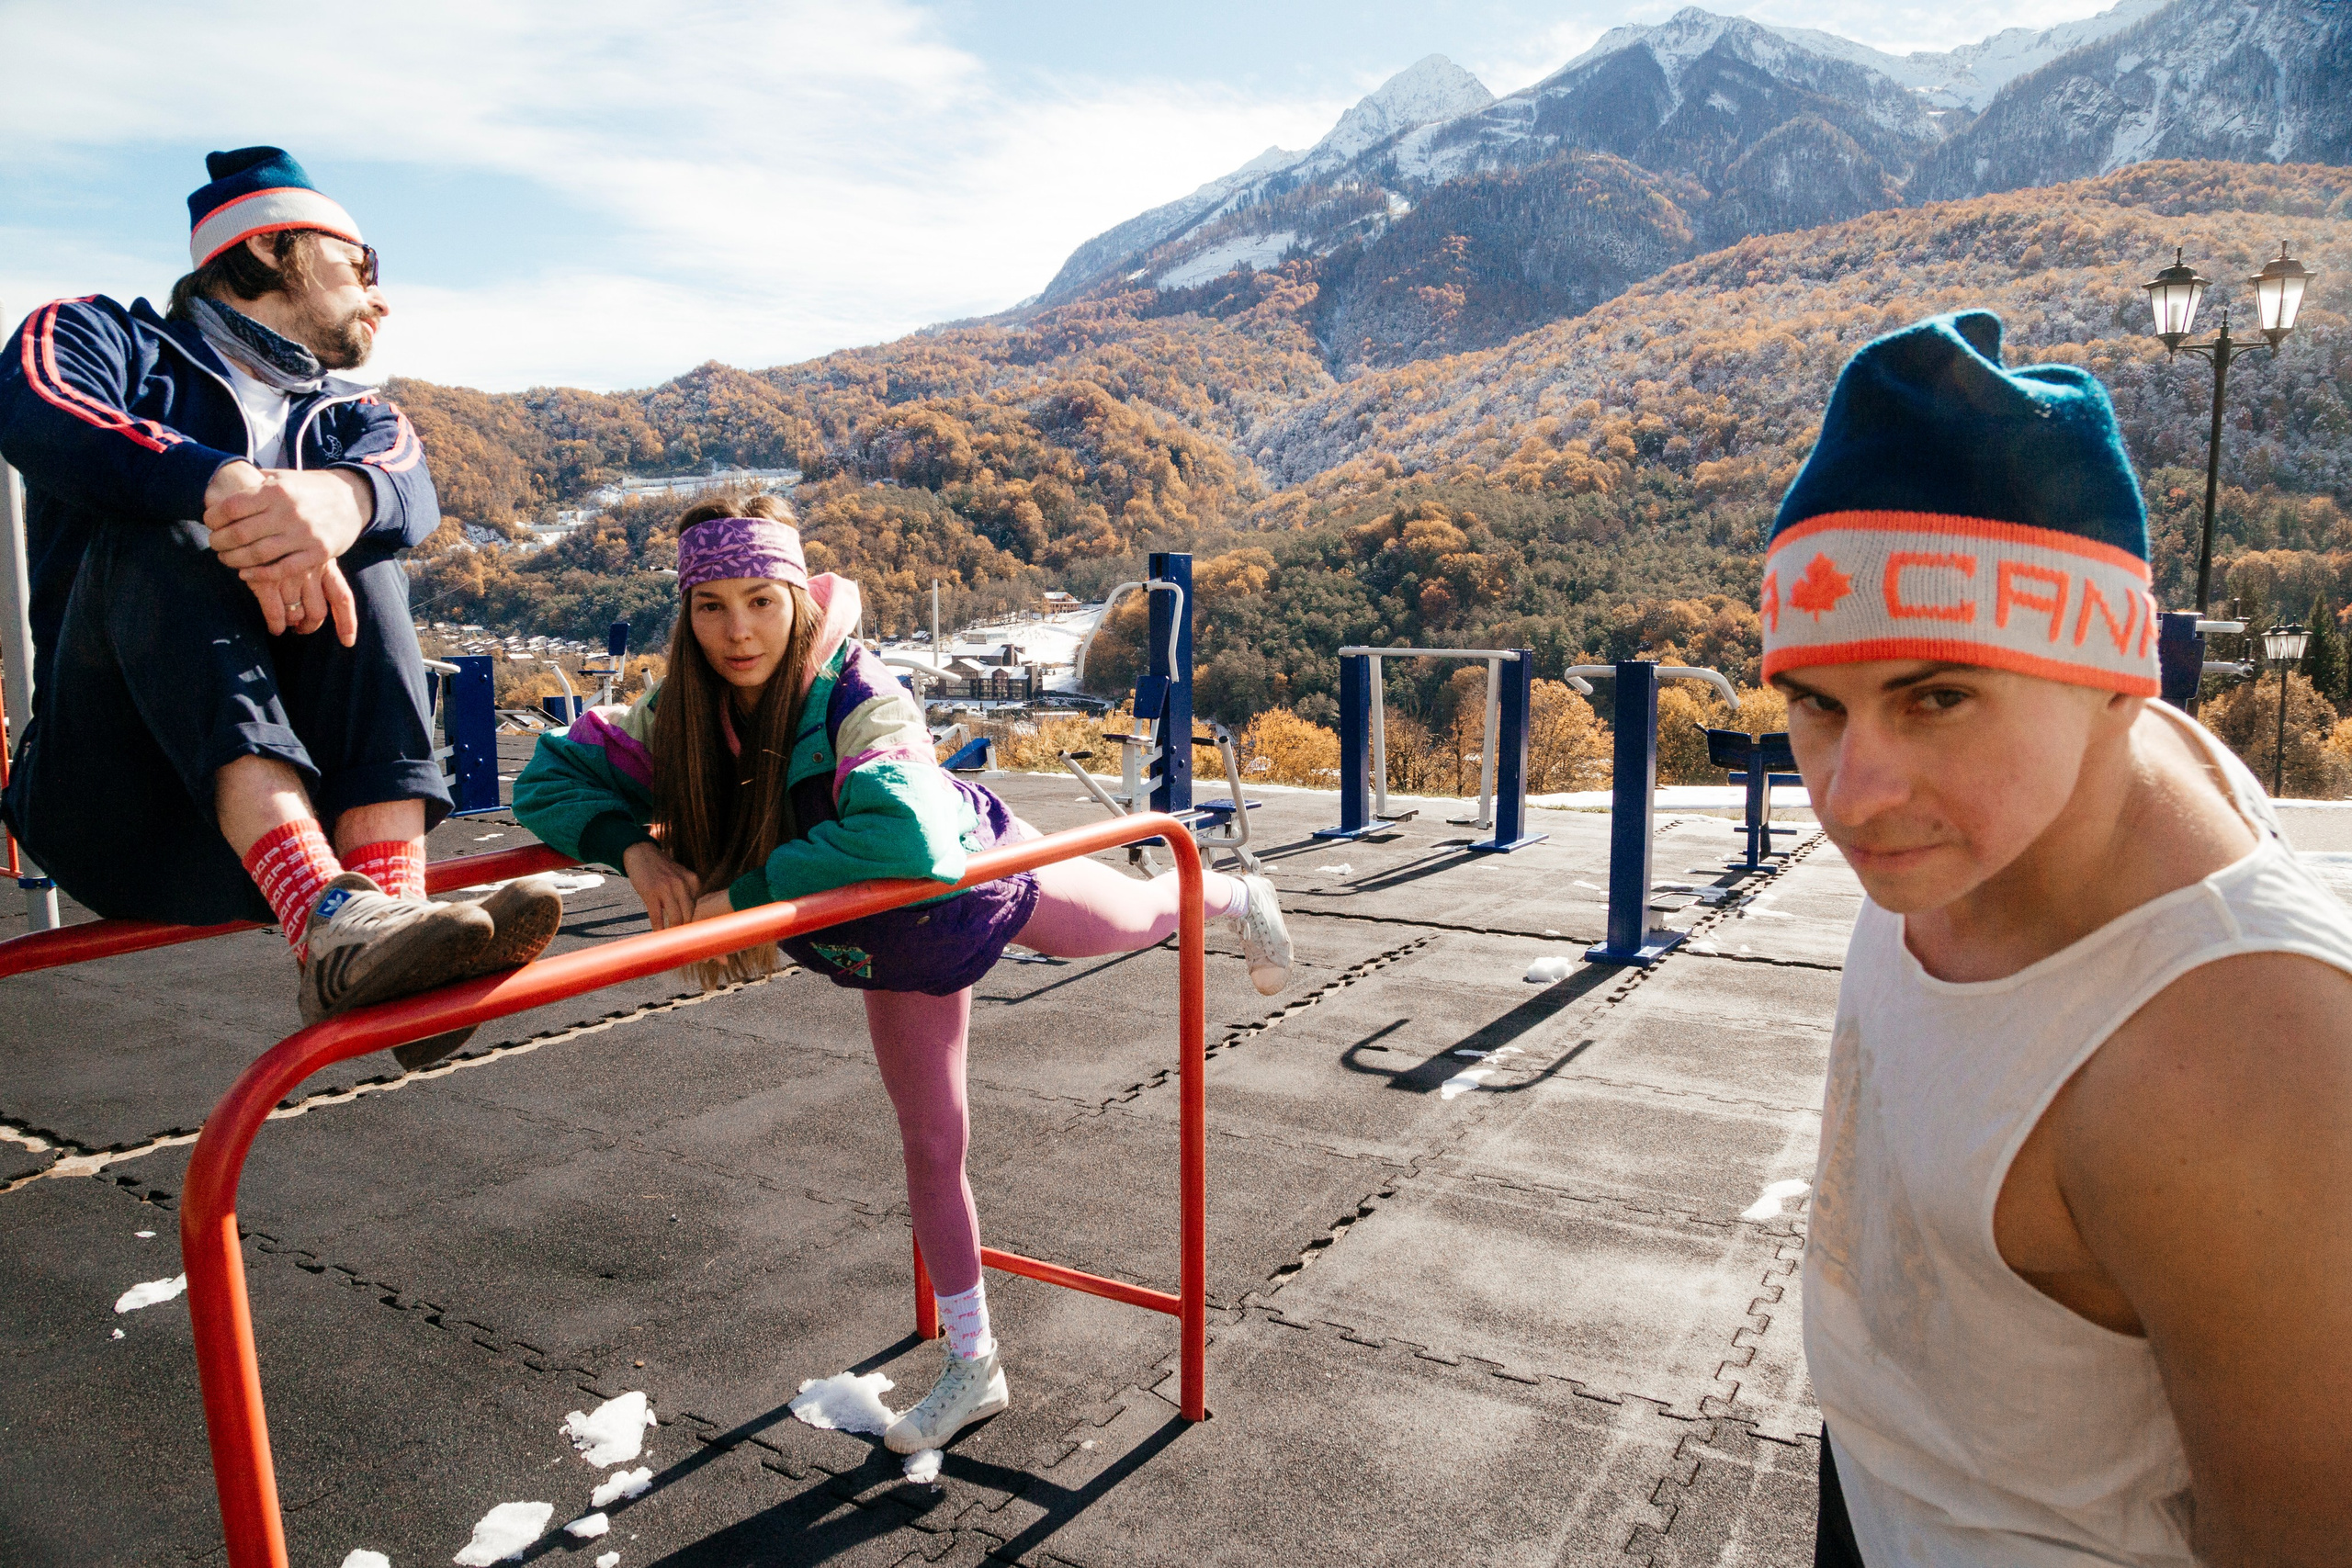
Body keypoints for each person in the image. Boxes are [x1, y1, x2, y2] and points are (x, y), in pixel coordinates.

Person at [511, 495, 1293, 1452]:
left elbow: (908, 835)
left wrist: (735, 899)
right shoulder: (678, 711)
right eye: (710, 605)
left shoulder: (857, 694)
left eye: (760, 598)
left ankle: (1232, 896)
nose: (737, 629)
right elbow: (546, 781)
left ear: (797, 596)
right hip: (887, 946)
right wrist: (632, 849)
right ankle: (977, 1365)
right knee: (931, 1143)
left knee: (1138, 911)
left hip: (970, 887)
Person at [1765, 311, 2352, 1565]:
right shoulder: (1987, 821)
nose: (1853, 793)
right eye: (1819, 705)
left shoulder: (2238, 1058)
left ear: (2112, 681)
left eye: (1938, 695)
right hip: (1883, 1477)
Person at [0, 147, 560, 1064]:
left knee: (367, 552)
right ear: (270, 252)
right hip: (119, 797)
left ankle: (389, 920)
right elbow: (33, 404)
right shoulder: (101, 336)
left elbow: (408, 485)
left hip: (292, 833)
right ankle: (338, 918)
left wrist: (336, 506)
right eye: (358, 268)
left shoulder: (349, 414)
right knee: (168, 523)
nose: (381, 300)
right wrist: (223, 486)